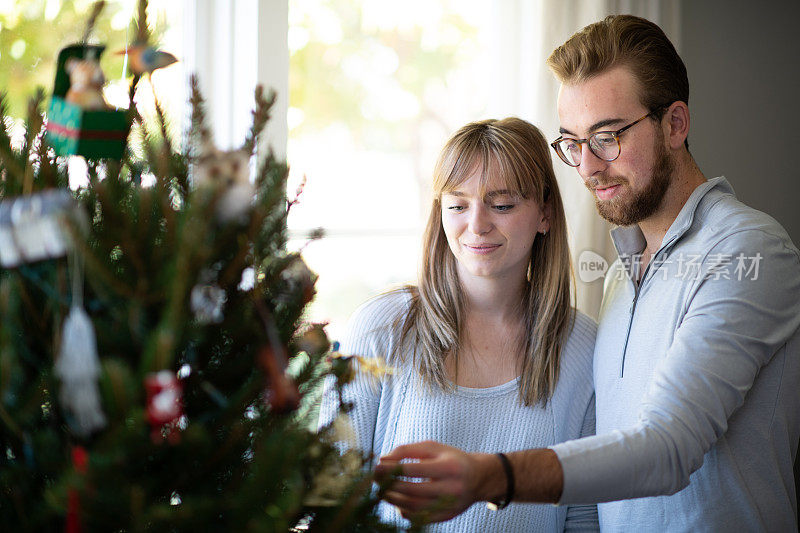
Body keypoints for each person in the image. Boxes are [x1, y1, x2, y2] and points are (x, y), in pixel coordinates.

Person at [376, 14, 800, 532]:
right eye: (573, 144)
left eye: (607, 137)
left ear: (675, 124)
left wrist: (493, 475)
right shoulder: (624, 270)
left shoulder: (747, 251)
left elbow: (667, 449)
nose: (588, 167)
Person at [319, 117, 599, 531]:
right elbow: (332, 498)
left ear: (545, 213)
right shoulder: (382, 329)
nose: (477, 225)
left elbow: (584, 519)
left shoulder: (584, 348)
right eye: (457, 205)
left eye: (502, 205)